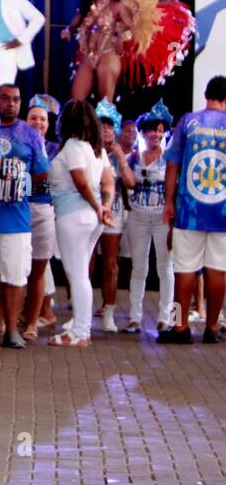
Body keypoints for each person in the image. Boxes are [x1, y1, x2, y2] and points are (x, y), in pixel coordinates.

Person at [158, 76, 226, 345]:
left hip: (189, 209)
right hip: (222, 211)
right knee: (218, 270)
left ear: (206, 95)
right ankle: (212, 326)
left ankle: (179, 326)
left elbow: (172, 164)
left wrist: (169, 201)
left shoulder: (188, 122)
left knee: (183, 270)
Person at [0, 81, 51, 348]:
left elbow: (42, 172)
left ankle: (12, 330)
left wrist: (17, 185)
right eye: (5, 98)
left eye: (15, 99)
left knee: (15, 275)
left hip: (18, 218)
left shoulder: (31, 135)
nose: (10, 104)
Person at [47, 100, 114, 348]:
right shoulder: (97, 150)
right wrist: (104, 206)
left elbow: (81, 182)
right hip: (90, 217)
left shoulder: (74, 146)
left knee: (77, 274)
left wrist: (99, 207)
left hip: (75, 215)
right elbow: (108, 182)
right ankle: (81, 326)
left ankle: (80, 332)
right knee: (80, 273)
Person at [125, 101, 173, 333]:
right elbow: (123, 181)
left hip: (163, 219)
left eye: (160, 130)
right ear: (143, 133)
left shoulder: (172, 159)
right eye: (151, 129)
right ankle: (135, 317)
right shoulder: (133, 158)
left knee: (166, 268)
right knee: (139, 267)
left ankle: (168, 318)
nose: (156, 133)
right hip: (138, 217)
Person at [22, 95, 62, 340]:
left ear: (49, 123)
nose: (38, 122)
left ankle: (34, 319)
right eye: (33, 118)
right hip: (17, 210)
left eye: (43, 119)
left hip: (45, 208)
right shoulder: (16, 143)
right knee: (15, 268)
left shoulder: (56, 149)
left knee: (40, 266)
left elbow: (53, 179)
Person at [94, 101, 135, 333]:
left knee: (110, 264)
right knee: (86, 262)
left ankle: (109, 312)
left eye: (110, 126)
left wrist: (120, 158)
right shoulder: (87, 149)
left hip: (114, 212)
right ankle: (82, 309)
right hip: (88, 210)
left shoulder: (119, 154)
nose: (106, 130)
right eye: (102, 125)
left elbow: (130, 183)